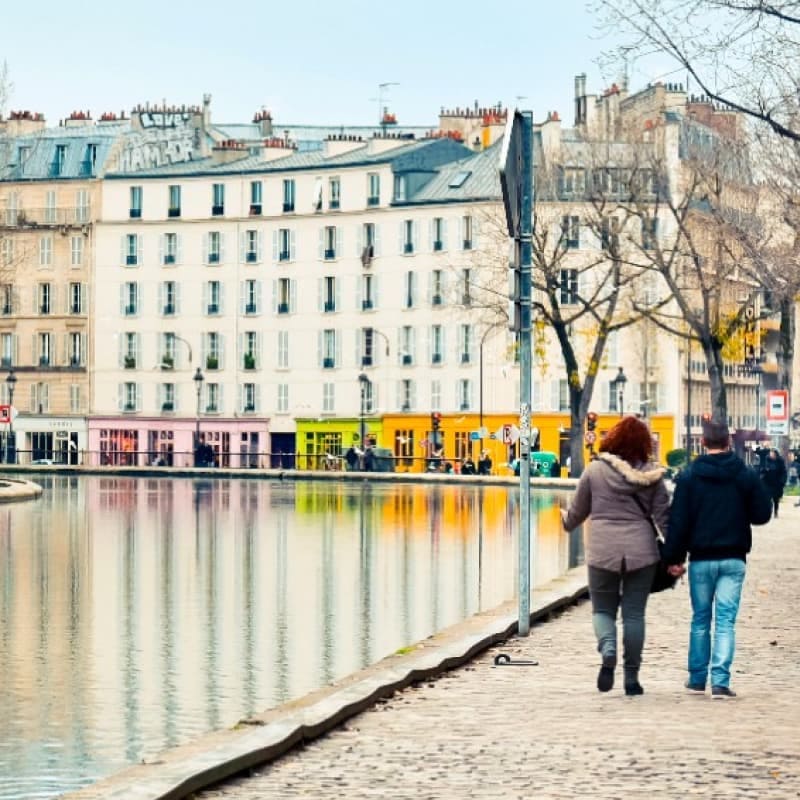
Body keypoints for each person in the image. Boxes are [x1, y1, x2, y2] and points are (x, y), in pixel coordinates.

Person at [663, 417, 771, 699]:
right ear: (728, 441)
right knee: (725, 620)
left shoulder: (688, 476)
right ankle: (720, 681)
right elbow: (762, 514)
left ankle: (697, 679)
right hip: (733, 557)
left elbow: (678, 522)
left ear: (702, 442)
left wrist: (673, 558)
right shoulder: (744, 474)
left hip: (701, 558)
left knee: (700, 619)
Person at [561, 416, 670, 696]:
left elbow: (577, 513)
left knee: (602, 610)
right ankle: (631, 678)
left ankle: (607, 647)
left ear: (612, 439)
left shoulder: (594, 471)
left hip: (602, 550)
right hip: (641, 552)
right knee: (634, 615)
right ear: (645, 444)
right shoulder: (654, 478)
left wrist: (565, 520)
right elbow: (665, 520)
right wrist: (675, 555)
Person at [760, 448, 786, 518]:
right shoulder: (766, 460)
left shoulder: (780, 461)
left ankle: (776, 512)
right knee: (768, 498)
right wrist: (764, 471)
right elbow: (762, 470)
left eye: (773, 453)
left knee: (776, 499)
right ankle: (770, 510)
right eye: (771, 453)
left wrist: (782, 481)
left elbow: (783, 472)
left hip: (777, 483)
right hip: (767, 483)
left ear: (776, 454)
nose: (771, 455)